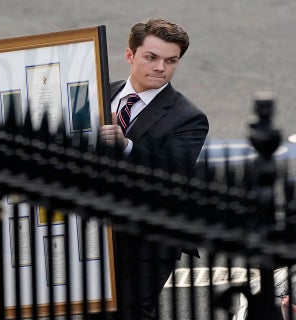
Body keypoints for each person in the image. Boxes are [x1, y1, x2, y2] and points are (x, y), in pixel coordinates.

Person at [98, 18, 209, 320]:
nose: (161, 67)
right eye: (151, 57)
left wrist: (127, 146)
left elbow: (171, 174)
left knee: (131, 313)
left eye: (171, 61)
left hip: (149, 238)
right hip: (97, 231)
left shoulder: (188, 118)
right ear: (130, 55)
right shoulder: (100, 93)